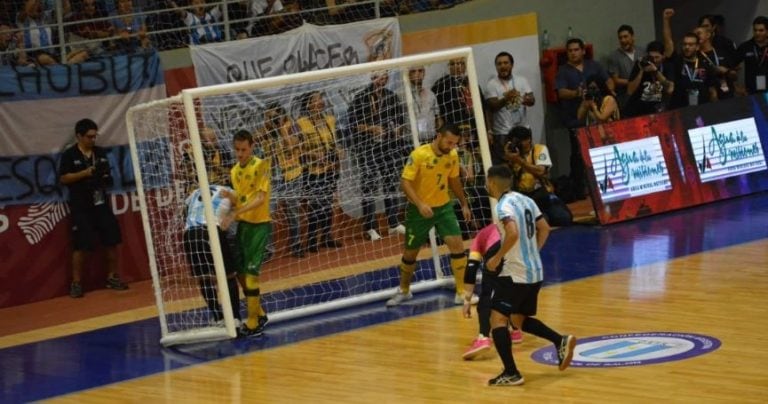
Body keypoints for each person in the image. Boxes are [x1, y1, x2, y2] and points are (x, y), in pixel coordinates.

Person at [464, 164, 576, 386]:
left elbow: (513, 233)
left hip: (515, 273)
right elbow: (544, 228)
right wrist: (533, 251)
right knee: (517, 318)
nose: (486, 185)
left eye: (487, 181)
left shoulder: (503, 206)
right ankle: (560, 340)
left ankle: (511, 372)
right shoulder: (526, 200)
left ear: (493, 183)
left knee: (497, 319)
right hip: (535, 270)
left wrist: (496, 258)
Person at [386, 123, 474, 307]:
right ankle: (404, 290)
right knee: (411, 253)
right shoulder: (419, 155)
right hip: (418, 212)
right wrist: (419, 204)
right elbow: (405, 183)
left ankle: (461, 293)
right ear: (438, 136)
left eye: (454, 144)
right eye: (449, 142)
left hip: (444, 209)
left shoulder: (452, 155)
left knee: (457, 246)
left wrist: (464, 203)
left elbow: (453, 179)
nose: (451, 147)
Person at [59, 119, 129, 298]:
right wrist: (85, 173)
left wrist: (103, 178)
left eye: (95, 136)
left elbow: (107, 174)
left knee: (111, 240)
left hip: (101, 202)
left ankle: (112, 277)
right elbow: (64, 179)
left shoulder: (100, 153)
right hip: (81, 205)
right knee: (81, 244)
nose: (93, 140)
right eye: (89, 137)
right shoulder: (69, 154)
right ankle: (76, 283)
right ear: (79, 136)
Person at [222, 129, 272, 337]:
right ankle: (259, 313)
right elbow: (241, 198)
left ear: (252, 147)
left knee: (251, 278)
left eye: (244, 149)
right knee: (242, 275)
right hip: (243, 227)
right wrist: (228, 199)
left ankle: (253, 322)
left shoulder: (261, 166)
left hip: (259, 227)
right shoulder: (234, 171)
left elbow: (260, 199)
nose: (240, 154)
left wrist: (235, 213)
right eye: (237, 150)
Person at [348, 71, 408, 241]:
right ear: (372, 76)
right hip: (367, 148)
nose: (384, 78)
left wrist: (398, 129)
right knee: (369, 187)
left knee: (390, 184)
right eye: (380, 75)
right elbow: (352, 125)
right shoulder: (360, 98)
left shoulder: (391, 97)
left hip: (389, 146)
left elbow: (400, 121)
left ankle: (393, 223)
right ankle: (370, 228)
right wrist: (371, 129)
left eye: (386, 75)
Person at [555, 37, 613, 201]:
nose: (573, 53)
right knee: (578, 154)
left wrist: (608, 93)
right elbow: (560, 92)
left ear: (583, 50)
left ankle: (604, 186)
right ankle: (581, 189)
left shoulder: (594, 65)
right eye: (570, 51)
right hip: (575, 118)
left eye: (576, 50)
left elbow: (608, 80)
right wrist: (577, 93)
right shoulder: (563, 71)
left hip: (597, 116)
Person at [461, 223, 523, 360]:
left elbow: (471, 270)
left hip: (496, 249)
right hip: (518, 249)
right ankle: (515, 331)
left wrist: (467, 301)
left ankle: (483, 337)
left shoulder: (478, 239)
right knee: (508, 290)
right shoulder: (504, 225)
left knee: (486, 295)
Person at [182, 184, 242, 326]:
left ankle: (217, 317)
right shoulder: (230, 191)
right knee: (229, 276)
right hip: (211, 231)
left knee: (204, 278)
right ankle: (235, 318)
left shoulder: (196, 191)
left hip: (190, 234)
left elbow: (185, 211)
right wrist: (230, 216)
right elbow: (240, 206)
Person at [296, 91, 344, 252]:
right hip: (312, 171)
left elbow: (333, 142)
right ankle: (311, 240)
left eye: (320, 99)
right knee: (316, 205)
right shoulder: (301, 123)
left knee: (328, 205)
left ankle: (326, 237)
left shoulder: (330, 120)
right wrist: (314, 155)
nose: (319, 102)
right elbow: (297, 150)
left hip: (330, 168)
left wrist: (338, 151)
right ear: (307, 105)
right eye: (315, 100)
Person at [258, 102, 305, 258]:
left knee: (293, 213)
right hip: (272, 179)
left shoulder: (292, 127)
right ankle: (268, 250)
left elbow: (292, 146)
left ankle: (296, 245)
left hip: (292, 176)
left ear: (282, 115)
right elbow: (257, 145)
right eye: (268, 117)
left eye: (274, 117)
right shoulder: (262, 132)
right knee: (267, 215)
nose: (270, 120)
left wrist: (281, 129)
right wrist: (268, 130)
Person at [504, 126, 572, 227]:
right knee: (540, 222)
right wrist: (508, 159)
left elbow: (541, 171)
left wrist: (519, 161)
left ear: (528, 140)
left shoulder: (539, 149)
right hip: (524, 198)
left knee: (564, 218)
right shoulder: (512, 156)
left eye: (520, 141)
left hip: (542, 194)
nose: (517, 145)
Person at [484, 51, 534, 165]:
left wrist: (523, 99)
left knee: (527, 161)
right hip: (503, 133)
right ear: (496, 66)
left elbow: (532, 100)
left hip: (523, 130)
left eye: (506, 63)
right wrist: (506, 98)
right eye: (499, 64)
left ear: (512, 65)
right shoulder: (492, 84)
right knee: (506, 165)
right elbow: (492, 106)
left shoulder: (522, 80)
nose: (503, 66)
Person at [624, 40, 675, 118]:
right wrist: (641, 70)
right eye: (651, 57)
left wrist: (656, 71)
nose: (654, 61)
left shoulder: (668, 66)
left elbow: (670, 89)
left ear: (663, 56)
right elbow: (630, 91)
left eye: (657, 57)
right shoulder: (641, 64)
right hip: (639, 110)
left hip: (659, 109)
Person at [606, 24, 645, 108]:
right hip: (626, 96)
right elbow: (616, 80)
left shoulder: (642, 52)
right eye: (620, 38)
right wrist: (635, 82)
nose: (623, 40)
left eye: (625, 37)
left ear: (632, 36)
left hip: (644, 93)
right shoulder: (614, 56)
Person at [732, 16, 768, 96]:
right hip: (751, 93)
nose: (757, 33)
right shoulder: (745, 47)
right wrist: (735, 87)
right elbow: (730, 65)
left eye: (761, 30)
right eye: (755, 30)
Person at [408, 65, 442, 143]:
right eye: (413, 71)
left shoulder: (431, 94)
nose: (417, 74)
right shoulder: (401, 95)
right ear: (408, 74)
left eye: (420, 71)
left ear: (424, 73)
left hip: (430, 140)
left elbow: (438, 118)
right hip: (411, 142)